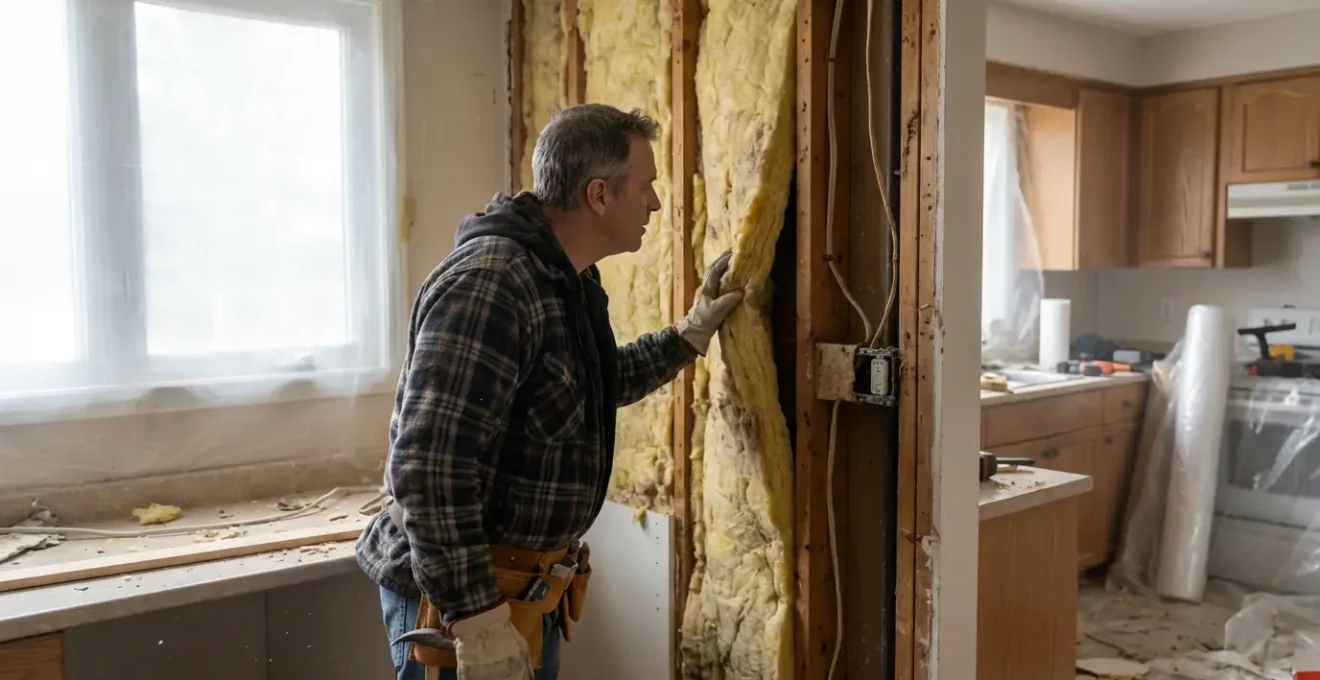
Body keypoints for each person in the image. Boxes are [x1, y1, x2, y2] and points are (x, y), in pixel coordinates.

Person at [355, 103, 744, 680]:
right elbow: (428, 470)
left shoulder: (565, 278)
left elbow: (589, 385)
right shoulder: (492, 285)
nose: (656, 204)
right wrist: (477, 620)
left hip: (523, 596)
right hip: (467, 601)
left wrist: (688, 335)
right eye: (646, 187)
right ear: (599, 196)